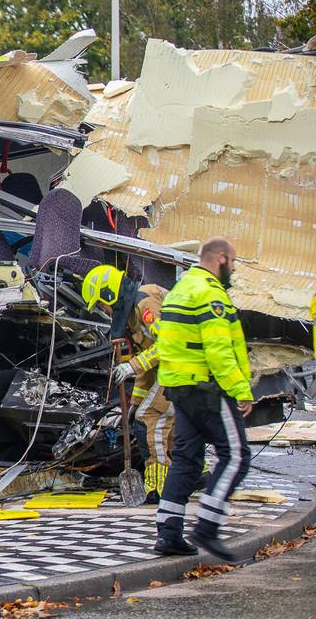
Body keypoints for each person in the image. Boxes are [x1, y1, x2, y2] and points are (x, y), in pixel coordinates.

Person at [153, 237, 253, 561]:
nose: (234, 269)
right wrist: (241, 390)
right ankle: (208, 527)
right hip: (208, 389)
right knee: (236, 456)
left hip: (179, 388)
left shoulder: (179, 290)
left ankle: (168, 532)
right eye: (233, 262)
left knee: (186, 459)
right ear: (221, 258)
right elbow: (220, 351)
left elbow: (166, 343)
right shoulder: (210, 294)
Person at [81, 264, 171, 500]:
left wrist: (131, 366)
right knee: (154, 419)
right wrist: (134, 404)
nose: (105, 310)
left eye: (102, 303)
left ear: (111, 294)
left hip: (183, 365)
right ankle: (194, 473)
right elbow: (147, 372)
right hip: (172, 368)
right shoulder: (131, 314)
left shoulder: (145, 304)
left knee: (150, 418)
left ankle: (160, 486)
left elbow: (169, 345)